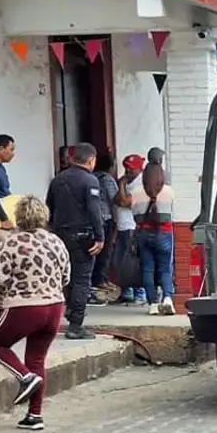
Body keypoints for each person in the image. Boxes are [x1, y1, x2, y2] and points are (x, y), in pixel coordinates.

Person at [0, 196, 70, 431]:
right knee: (37, 359)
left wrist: (2, 297)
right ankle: (34, 415)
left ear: (19, 217)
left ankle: (25, 377)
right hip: (54, 307)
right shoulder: (56, 242)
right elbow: (66, 277)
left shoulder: (11, 243)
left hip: (25, 306)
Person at [46, 142, 103, 340]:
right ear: (91, 160)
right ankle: (76, 324)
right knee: (82, 279)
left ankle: (69, 313)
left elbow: (49, 208)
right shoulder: (90, 181)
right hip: (83, 236)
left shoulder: (57, 180)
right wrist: (100, 236)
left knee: (66, 278)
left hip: (60, 236)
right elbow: (95, 211)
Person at [132, 162, 176, 316]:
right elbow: (170, 213)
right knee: (165, 268)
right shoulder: (168, 192)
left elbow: (135, 216)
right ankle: (168, 298)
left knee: (147, 268)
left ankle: (153, 304)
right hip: (164, 233)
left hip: (144, 233)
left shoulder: (137, 192)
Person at [115, 154, 147, 305]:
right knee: (120, 262)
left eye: (131, 168)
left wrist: (121, 184)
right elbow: (115, 199)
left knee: (133, 262)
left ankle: (140, 294)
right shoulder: (130, 182)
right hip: (122, 226)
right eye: (126, 167)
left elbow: (124, 202)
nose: (127, 170)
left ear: (139, 169)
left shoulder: (140, 184)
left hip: (132, 227)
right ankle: (127, 292)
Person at [90, 151, 119, 305]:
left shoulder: (91, 177)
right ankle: (101, 279)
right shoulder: (107, 179)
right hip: (106, 218)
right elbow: (115, 199)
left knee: (94, 251)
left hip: (92, 219)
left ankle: (96, 279)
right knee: (106, 250)